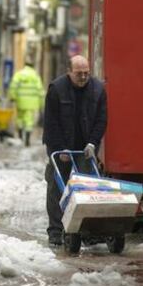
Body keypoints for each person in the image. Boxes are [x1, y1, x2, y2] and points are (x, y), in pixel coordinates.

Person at [42, 55, 107, 245]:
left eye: (86, 73)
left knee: (88, 188)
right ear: (69, 72)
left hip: (86, 147)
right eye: (79, 73)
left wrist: (93, 143)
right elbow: (51, 122)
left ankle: (87, 231)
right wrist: (59, 148)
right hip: (60, 146)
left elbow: (101, 119)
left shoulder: (98, 89)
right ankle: (55, 230)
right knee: (56, 186)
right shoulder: (57, 89)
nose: (83, 77)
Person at [8, 58, 45, 146]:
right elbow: (40, 90)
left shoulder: (19, 74)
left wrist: (13, 97)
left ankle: (20, 137)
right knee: (29, 120)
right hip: (32, 102)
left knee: (20, 118)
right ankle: (27, 140)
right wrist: (41, 104)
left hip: (20, 101)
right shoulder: (35, 76)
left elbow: (13, 86)